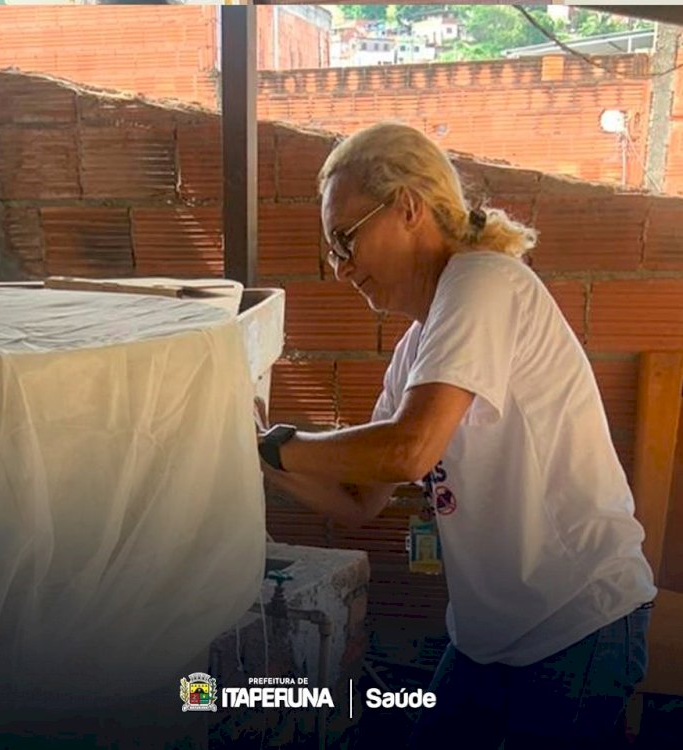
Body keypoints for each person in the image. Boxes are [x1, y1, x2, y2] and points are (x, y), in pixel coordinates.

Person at [256, 122, 656, 749]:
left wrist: (279, 445)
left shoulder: (482, 282)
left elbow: (408, 449)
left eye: (345, 240)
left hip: (578, 621)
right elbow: (362, 497)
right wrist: (254, 460)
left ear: (409, 207)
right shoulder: (420, 341)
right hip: (490, 637)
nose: (341, 269)